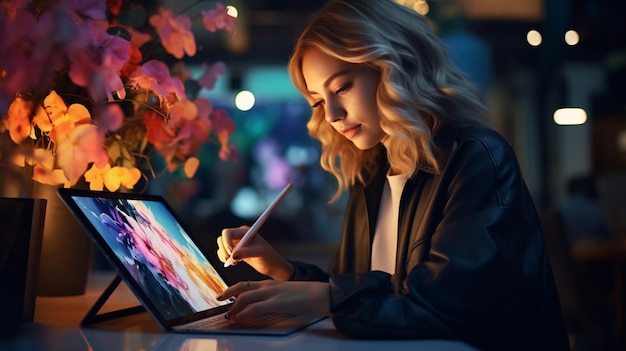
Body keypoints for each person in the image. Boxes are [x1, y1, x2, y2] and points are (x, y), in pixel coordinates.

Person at [215, 1, 570, 350]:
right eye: (318, 101)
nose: (333, 114)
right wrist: (284, 270)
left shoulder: (476, 156)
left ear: (394, 67)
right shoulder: (372, 172)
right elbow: (369, 296)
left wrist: (325, 297)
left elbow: (449, 307)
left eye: (341, 87)